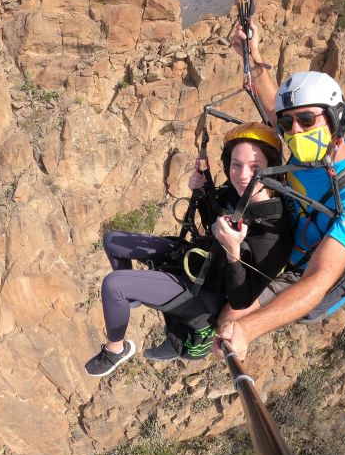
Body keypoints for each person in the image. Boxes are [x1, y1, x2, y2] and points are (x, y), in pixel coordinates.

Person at [213, 23, 345, 361]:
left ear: (334, 119)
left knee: (227, 320)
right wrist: (252, 54)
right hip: (290, 235)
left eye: (306, 120)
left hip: (306, 267)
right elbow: (273, 101)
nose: (295, 130)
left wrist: (248, 329)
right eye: (288, 123)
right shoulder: (309, 147)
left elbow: (319, 279)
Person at [84, 123, 293, 377]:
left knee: (114, 284)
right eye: (236, 165)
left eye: (255, 168)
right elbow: (212, 219)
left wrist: (233, 251)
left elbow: (242, 300)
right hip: (197, 258)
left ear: (271, 170)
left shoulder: (274, 232)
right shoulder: (235, 192)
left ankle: (116, 349)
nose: (242, 175)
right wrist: (203, 191)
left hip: (205, 292)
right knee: (113, 241)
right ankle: (135, 295)